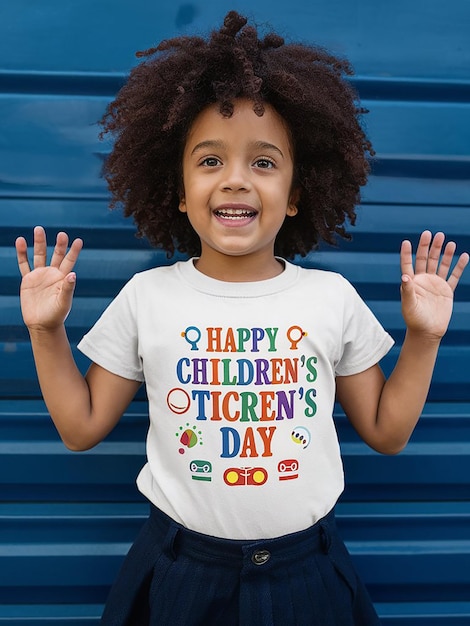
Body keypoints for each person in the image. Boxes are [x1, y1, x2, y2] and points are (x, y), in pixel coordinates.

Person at [15, 10, 468, 626]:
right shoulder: (148, 296)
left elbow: (386, 433)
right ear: (177, 189)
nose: (235, 181)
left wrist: (423, 336)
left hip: (307, 572)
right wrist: (46, 331)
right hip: (181, 573)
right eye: (209, 161)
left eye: (263, 162)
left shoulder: (330, 297)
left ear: (296, 191)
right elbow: (81, 426)